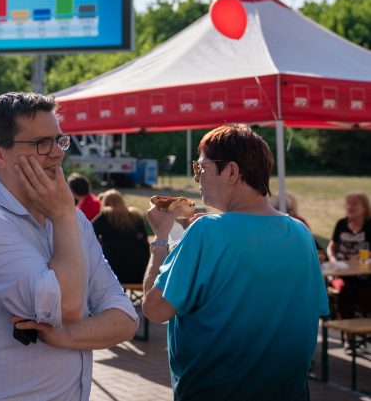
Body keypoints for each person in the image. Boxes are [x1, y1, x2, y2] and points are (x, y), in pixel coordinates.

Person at [0, 92, 137, 400]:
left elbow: (125, 319)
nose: (57, 154)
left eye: (59, 141)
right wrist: (63, 214)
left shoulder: (73, 221)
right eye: (41, 144)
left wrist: (64, 335)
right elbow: (68, 306)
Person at [142, 124, 329, 400]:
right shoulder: (300, 232)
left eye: (201, 168)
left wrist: (159, 240)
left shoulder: (207, 230)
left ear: (231, 171)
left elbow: (154, 309)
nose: (197, 179)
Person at [325, 191, 371, 320]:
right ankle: (348, 335)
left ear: (365, 207)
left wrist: (361, 258)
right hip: (342, 273)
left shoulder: (369, 225)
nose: (350, 207)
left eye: (354, 204)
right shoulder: (341, 224)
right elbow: (331, 248)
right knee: (344, 292)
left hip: (364, 274)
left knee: (365, 292)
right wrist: (333, 260)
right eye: (348, 204)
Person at [92, 189, 149, 284]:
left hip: (114, 273)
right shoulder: (136, 216)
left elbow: (90, 235)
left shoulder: (104, 216)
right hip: (140, 273)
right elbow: (145, 239)